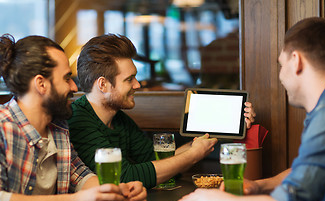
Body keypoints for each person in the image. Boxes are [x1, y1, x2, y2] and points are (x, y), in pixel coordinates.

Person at [0, 34, 147, 201]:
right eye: (66, 78)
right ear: (41, 84)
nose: (74, 87)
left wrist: (116, 193)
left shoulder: (57, 127)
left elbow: (79, 175)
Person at [169, 17, 325, 201]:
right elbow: (310, 172)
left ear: (296, 60)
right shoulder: (320, 111)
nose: (281, 76)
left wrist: (208, 198)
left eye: (281, 65)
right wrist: (259, 185)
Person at [68, 34, 256, 189]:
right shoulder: (79, 120)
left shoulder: (119, 119)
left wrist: (229, 126)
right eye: (129, 79)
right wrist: (193, 155)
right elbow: (124, 177)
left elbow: (157, 161)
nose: (138, 84)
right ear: (103, 84)